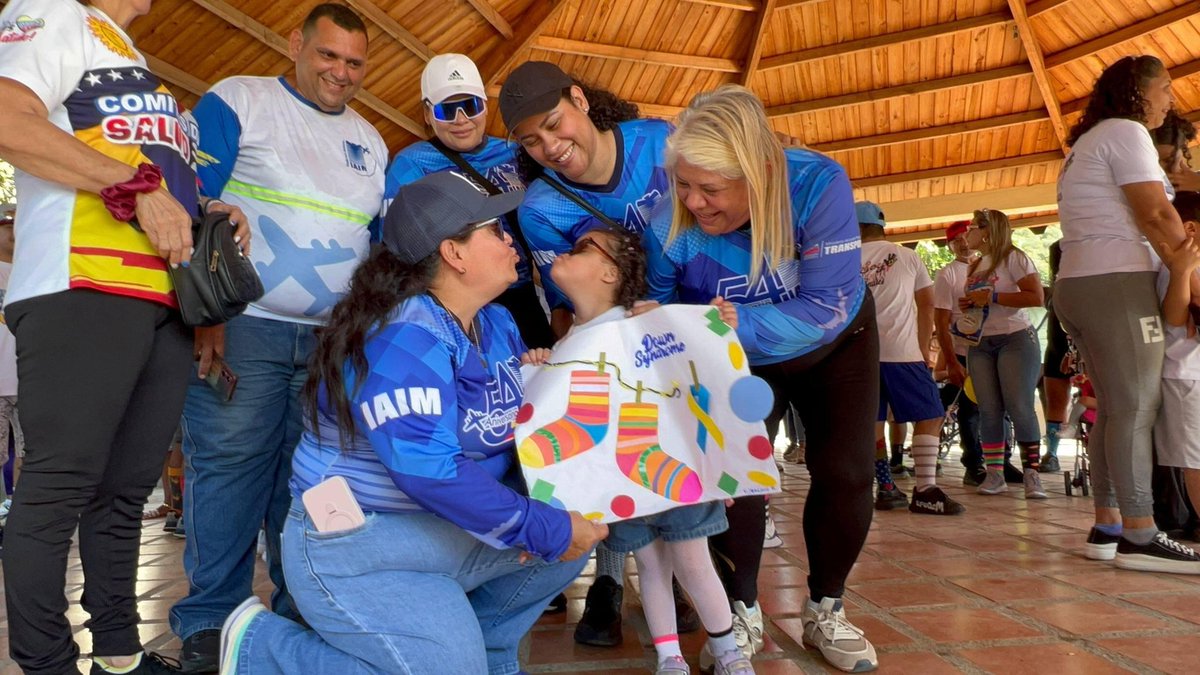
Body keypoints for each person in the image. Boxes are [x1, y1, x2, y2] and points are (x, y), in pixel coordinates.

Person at [216, 170, 605, 674]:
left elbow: (519, 432)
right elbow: (430, 473)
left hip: (440, 529)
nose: (510, 240)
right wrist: (538, 526)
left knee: (572, 536)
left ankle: (484, 657)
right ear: (454, 253)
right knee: (547, 537)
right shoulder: (404, 335)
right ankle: (261, 648)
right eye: (495, 230)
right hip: (362, 543)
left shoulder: (496, 322)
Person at [0, 0, 250, 672]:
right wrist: (134, 186)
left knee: (125, 492)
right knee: (59, 485)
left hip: (163, 300)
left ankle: (118, 654)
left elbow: (149, 176)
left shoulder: (130, 56)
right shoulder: (55, 12)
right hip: (81, 283)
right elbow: (8, 119)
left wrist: (207, 208)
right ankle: (46, 662)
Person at [169, 5, 389, 671]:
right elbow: (188, 197)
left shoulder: (371, 140)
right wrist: (207, 315)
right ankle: (212, 622)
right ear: (296, 43)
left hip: (330, 343)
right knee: (229, 470)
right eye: (329, 55)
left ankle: (303, 620)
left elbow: (373, 244)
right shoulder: (241, 99)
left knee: (312, 481)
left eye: (354, 63)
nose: (341, 72)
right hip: (243, 329)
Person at [643, 84, 879, 672]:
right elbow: (661, 306)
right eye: (683, 184)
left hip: (836, 343)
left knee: (847, 471)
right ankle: (740, 610)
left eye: (711, 189)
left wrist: (733, 324)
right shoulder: (666, 218)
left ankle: (826, 607)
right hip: (734, 354)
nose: (693, 202)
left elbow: (825, 308)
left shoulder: (817, 183)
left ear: (760, 173)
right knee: (736, 480)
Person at [499, 59, 698, 646]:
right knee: (614, 450)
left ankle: (695, 580)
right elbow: (567, 300)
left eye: (554, 124)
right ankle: (609, 582)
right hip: (612, 340)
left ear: (580, 101)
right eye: (531, 141)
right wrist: (572, 357)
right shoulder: (540, 208)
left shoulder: (660, 143)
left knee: (682, 457)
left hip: (684, 330)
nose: (550, 146)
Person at [528, 227, 750, 674]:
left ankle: (728, 651)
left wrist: (712, 325)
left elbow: (697, 381)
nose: (565, 252)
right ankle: (670, 656)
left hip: (672, 470)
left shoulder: (647, 321)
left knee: (692, 562)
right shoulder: (567, 344)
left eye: (581, 248)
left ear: (611, 273)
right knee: (650, 567)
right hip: (620, 481)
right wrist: (539, 369)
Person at [1056, 54, 1200, 572]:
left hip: (1081, 283)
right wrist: (1189, 273)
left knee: (1115, 408)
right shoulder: (1126, 131)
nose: (1170, 100)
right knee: (1137, 407)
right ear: (1137, 92)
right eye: (1165, 89)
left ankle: (1109, 523)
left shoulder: (1091, 142)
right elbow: (1156, 213)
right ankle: (1141, 533)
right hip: (1116, 284)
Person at [384, 53, 553, 349]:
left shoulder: (516, 152)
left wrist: (560, 302)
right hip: (457, 305)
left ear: (485, 105)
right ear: (427, 114)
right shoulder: (412, 165)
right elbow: (396, 250)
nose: (461, 120)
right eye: (447, 110)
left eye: (470, 105)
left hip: (521, 295)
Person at [857, 201, 964, 516]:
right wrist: (922, 350)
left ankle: (885, 486)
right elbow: (927, 304)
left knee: (873, 419)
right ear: (881, 226)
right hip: (902, 352)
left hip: (858, 354)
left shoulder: (843, 259)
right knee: (930, 414)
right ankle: (926, 490)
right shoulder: (907, 256)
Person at [959, 208, 1046, 498]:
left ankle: (1032, 474)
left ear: (987, 231)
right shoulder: (974, 265)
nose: (967, 233)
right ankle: (995, 473)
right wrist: (969, 304)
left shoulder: (1014, 257)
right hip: (981, 342)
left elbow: (1036, 296)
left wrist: (992, 297)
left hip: (1015, 338)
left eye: (972, 227)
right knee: (988, 409)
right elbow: (981, 301)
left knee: (1019, 405)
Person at [1153, 192, 1200, 550]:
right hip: (1186, 373)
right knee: (1195, 461)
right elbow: (1175, 317)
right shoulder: (1174, 266)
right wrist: (1182, 272)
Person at [933, 221, 987, 485]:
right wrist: (951, 360)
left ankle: (1001, 461)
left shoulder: (989, 266)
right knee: (969, 408)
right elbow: (941, 321)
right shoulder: (947, 275)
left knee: (997, 407)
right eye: (956, 240)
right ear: (950, 246)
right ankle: (973, 464)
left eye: (966, 236)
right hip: (964, 349)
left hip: (992, 345)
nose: (963, 243)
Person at [0, 215, 23, 511]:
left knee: (30, 452)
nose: (13, 232)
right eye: (7, 227)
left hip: (27, 378)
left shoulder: (29, 271)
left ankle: (20, 511)